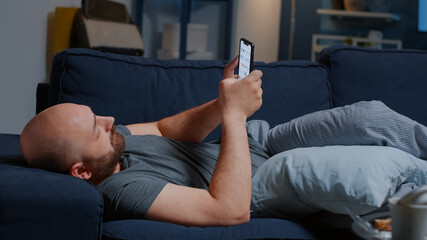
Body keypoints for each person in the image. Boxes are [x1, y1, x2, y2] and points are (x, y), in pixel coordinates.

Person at [20, 57, 427, 227]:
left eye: (97, 115)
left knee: (368, 116)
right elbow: (228, 210)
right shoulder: (121, 189)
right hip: (251, 182)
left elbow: (163, 129)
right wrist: (233, 115)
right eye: (95, 127)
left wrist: (221, 102)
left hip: (260, 142)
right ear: (80, 172)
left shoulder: (114, 145)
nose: (110, 121)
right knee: (332, 170)